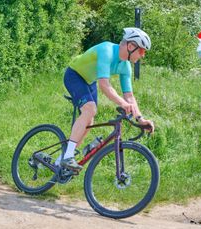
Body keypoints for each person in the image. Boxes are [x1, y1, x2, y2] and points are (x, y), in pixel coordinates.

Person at [56, 27, 155, 171]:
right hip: (74, 75)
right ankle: (68, 156)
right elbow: (104, 85)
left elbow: (129, 96)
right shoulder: (107, 50)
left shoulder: (126, 67)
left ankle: (61, 161)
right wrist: (122, 103)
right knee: (90, 109)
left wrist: (140, 119)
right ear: (131, 46)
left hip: (89, 81)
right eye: (142, 51)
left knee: (90, 120)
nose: (143, 55)